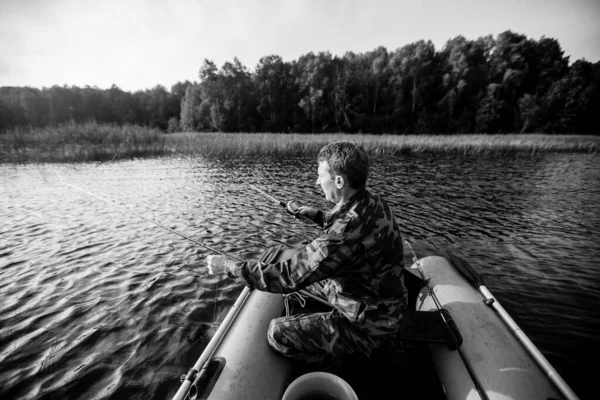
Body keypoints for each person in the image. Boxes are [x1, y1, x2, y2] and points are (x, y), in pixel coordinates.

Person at [206, 141, 407, 364]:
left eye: (321, 176)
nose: (317, 182)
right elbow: (350, 227)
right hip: (378, 300)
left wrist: (229, 267)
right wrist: (317, 216)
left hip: (371, 325)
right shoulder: (375, 203)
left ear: (339, 181)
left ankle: (338, 361)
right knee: (306, 280)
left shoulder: (343, 232)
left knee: (276, 333)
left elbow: (289, 276)